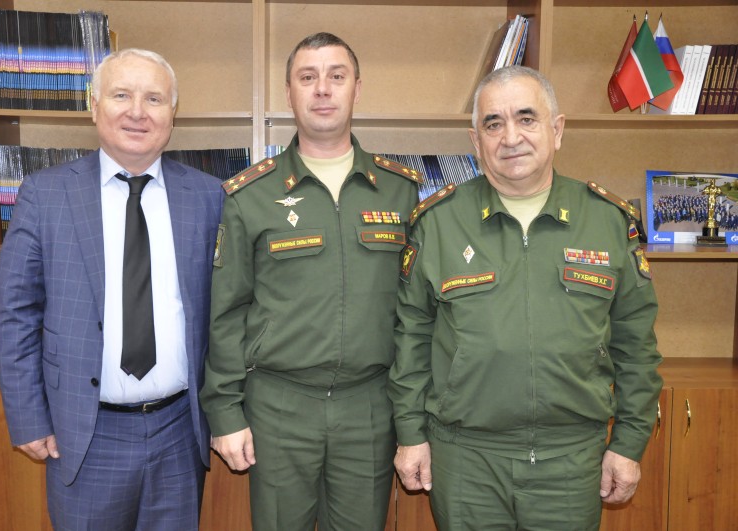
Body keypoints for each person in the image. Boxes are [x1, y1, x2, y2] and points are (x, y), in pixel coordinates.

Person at [388, 66, 663, 530]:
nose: (510, 137)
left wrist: (629, 444)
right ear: (476, 142)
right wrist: (410, 435)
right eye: (493, 123)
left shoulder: (607, 222)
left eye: (526, 118)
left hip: (571, 461)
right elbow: (411, 341)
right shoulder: (437, 223)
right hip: (466, 460)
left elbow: (636, 347)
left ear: (557, 129)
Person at [200, 32, 423, 530]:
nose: (322, 89)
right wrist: (225, 411)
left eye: (336, 76)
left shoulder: (400, 191)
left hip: (369, 405)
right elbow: (227, 312)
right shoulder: (251, 194)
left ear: (356, 89)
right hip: (279, 406)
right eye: (308, 77)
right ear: (289, 92)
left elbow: (416, 315)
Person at [0, 48, 224, 530]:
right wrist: (28, 417)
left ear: (172, 114)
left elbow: (227, 311)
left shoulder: (207, 196)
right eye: (121, 95)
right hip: (84, 433)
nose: (137, 112)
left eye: (154, 99)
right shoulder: (45, 194)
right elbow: (16, 313)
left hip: (179, 433)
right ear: (94, 105)